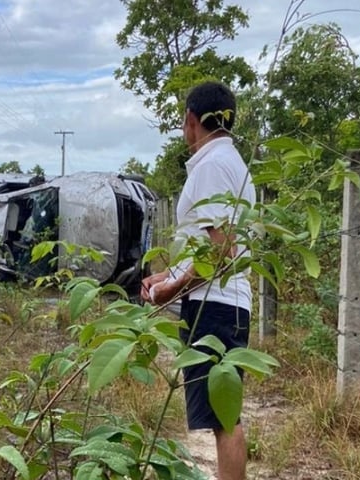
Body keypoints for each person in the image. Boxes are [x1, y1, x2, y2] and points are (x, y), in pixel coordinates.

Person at [140, 81, 256, 480]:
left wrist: (171, 289)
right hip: (227, 303)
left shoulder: (209, 166)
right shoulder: (232, 163)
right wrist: (167, 274)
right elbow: (213, 247)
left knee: (225, 419)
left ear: (191, 121)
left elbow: (220, 252)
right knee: (225, 415)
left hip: (215, 306)